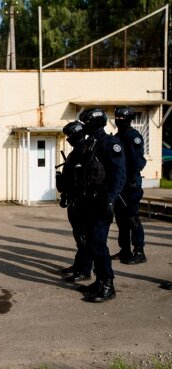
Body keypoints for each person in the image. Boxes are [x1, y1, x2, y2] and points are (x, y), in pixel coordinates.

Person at [76, 108, 126, 302]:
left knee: (98, 243)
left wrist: (110, 199)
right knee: (91, 243)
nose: (84, 126)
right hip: (88, 201)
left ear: (96, 123)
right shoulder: (90, 144)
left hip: (102, 202)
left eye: (86, 122)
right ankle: (99, 280)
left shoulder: (109, 144)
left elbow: (118, 175)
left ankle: (108, 284)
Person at [56, 121, 92, 283]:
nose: (68, 138)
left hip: (83, 200)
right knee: (78, 235)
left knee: (83, 236)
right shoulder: (76, 151)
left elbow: (81, 178)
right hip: (73, 198)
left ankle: (85, 270)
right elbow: (69, 177)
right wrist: (64, 193)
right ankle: (79, 265)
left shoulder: (85, 151)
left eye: (70, 135)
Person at [111, 107, 148, 265]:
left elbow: (138, 162)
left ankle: (139, 251)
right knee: (121, 219)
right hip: (120, 185)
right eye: (117, 118)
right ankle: (124, 249)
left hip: (131, 184)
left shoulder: (134, 137)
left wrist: (130, 178)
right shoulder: (118, 136)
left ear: (129, 119)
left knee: (132, 218)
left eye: (121, 118)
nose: (118, 120)